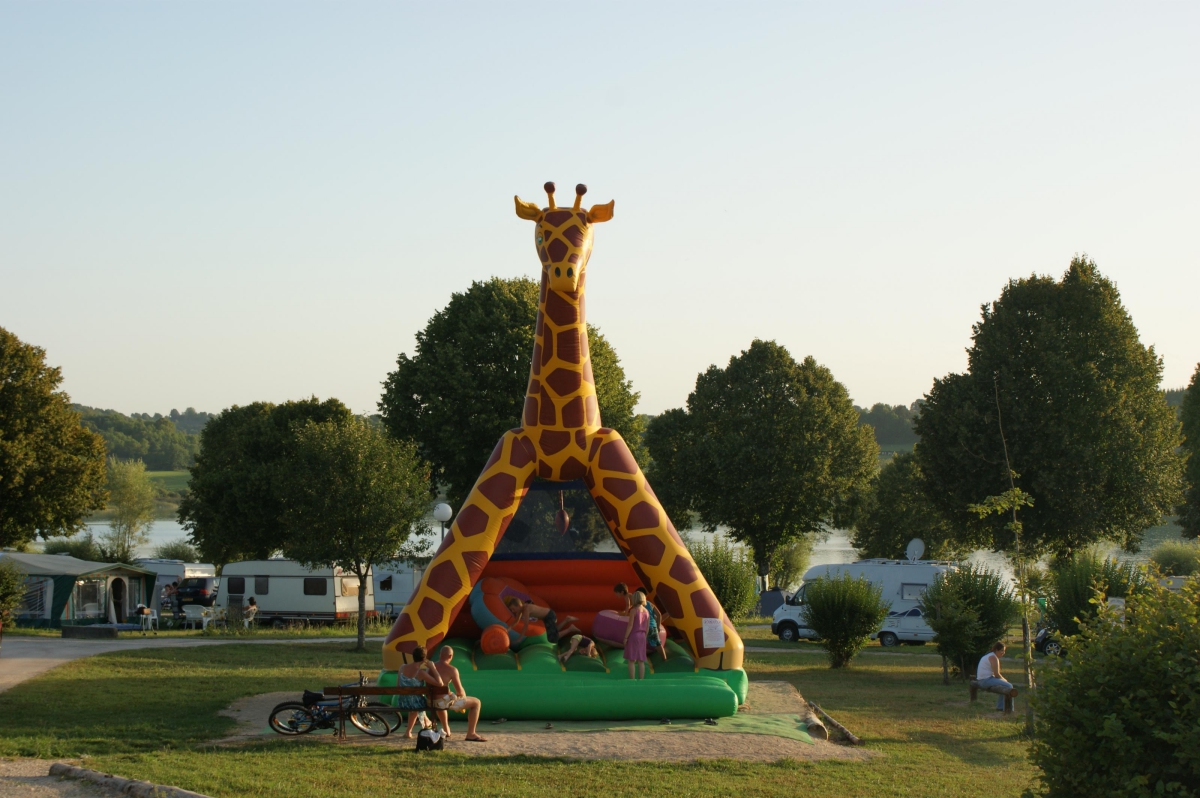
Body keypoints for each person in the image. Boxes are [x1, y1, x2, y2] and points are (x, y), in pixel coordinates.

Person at [431, 647, 487, 742]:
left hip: (431, 702)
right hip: (443, 703)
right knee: (476, 702)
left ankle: (446, 729)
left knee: (442, 699)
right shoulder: (452, 670)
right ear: (450, 656)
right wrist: (462, 699)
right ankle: (471, 734)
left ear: (439, 654)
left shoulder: (431, 668)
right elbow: (459, 691)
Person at [398, 647, 445, 738]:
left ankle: (427, 724)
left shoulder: (402, 667)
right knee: (419, 704)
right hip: (415, 704)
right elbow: (440, 683)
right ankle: (409, 731)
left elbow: (398, 686)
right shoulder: (420, 673)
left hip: (402, 701)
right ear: (424, 659)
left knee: (416, 704)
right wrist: (433, 668)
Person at [504, 597, 580, 645]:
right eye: (511, 610)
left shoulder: (526, 609)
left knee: (553, 638)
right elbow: (515, 622)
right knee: (553, 632)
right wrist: (507, 630)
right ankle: (567, 620)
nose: (513, 611)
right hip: (547, 617)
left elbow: (526, 625)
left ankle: (570, 628)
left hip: (549, 615)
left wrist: (519, 639)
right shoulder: (520, 611)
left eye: (513, 609)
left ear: (518, 606)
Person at [976, 642, 1017, 710]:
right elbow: (997, 674)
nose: (1003, 653)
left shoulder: (989, 655)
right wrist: (1005, 681)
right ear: (996, 650)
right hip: (985, 680)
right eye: (1002, 650)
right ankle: (1009, 709)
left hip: (982, 680)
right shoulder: (993, 658)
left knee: (1005, 685)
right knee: (1009, 686)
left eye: (1004, 651)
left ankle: (1000, 707)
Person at [635, 587, 669, 662]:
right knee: (658, 644)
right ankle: (665, 659)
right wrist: (657, 626)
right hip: (652, 627)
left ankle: (639, 660)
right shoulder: (650, 604)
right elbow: (659, 615)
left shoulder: (637, 606)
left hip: (643, 628)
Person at [623, 591, 650, 680]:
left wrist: (626, 637)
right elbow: (647, 626)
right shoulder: (646, 611)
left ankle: (632, 679)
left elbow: (630, 625)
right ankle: (641, 679)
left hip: (634, 635)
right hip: (642, 635)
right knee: (641, 660)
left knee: (631, 660)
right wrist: (645, 636)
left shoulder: (634, 611)